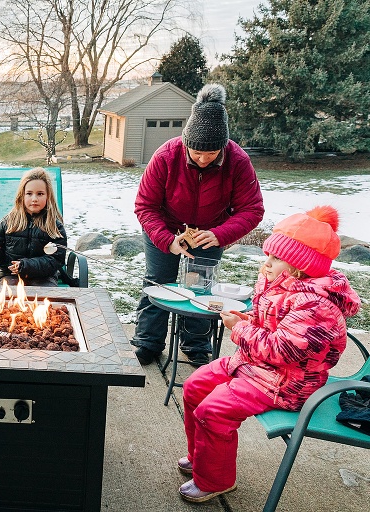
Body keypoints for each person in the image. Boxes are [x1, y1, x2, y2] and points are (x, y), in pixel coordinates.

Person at [177, 206, 360, 502]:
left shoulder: (315, 306)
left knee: (213, 411)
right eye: (268, 255)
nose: (267, 263)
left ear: (299, 265)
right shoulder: (279, 284)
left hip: (288, 383)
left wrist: (239, 329)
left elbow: (282, 350)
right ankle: (201, 456)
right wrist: (248, 320)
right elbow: (271, 326)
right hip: (257, 365)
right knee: (194, 386)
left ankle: (214, 480)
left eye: (275, 258)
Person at [132, 83, 265, 366]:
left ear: (223, 147)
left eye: (212, 154)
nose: (203, 159)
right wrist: (167, 240)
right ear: (186, 142)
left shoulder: (238, 161)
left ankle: (195, 344)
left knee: (201, 286)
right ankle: (147, 342)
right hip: (166, 227)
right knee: (158, 281)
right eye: (196, 153)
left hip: (210, 232)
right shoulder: (166, 156)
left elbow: (252, 209)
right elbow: (145, 206)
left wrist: (219, 235)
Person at [0, 167, 67, 287]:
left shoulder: (54, 227)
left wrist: (26, 266)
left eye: (40, 194)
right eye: (29, 194)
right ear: (22, 196)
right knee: (10, 296)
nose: (34, 199)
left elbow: (56, 259)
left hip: (43, 278)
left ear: (48, 196)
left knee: (44, 297)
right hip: (11, 276)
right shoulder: (9, 222)